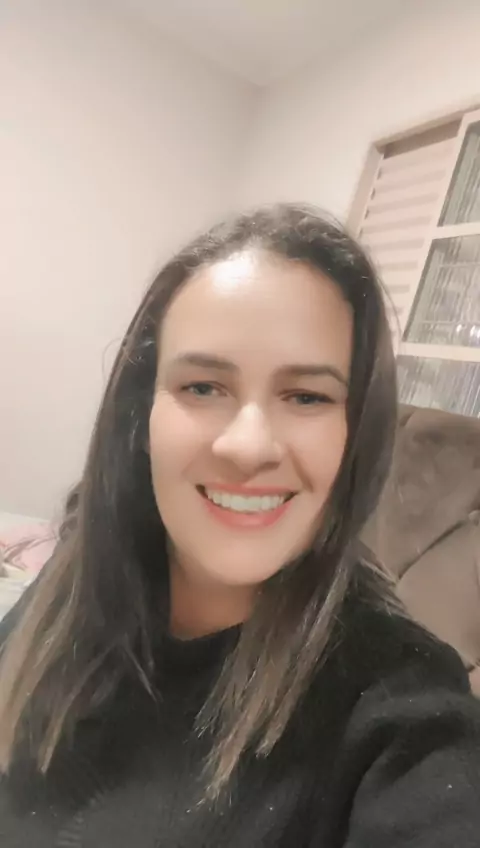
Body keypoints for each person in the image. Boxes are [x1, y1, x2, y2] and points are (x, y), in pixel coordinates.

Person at [0, 203, 479, 847]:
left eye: (306, 396)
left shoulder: (400, 708)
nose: (248, 447)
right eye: (203, 387)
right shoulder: (77, 575)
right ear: (141, 417)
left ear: (354, 436)